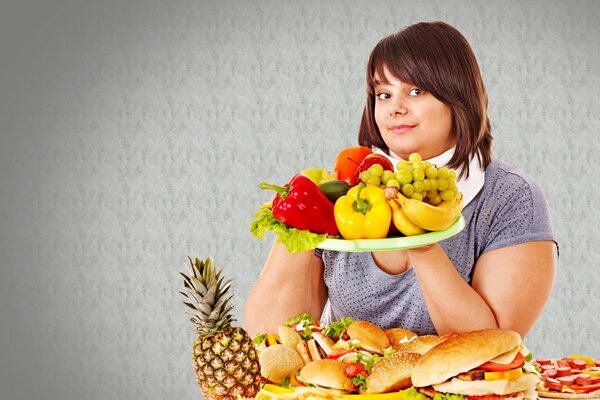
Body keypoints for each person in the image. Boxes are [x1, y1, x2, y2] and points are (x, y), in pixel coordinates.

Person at [244, 21, 557, 339]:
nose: (394, 108)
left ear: (459, 97)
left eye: (416, 90)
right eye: (383, 93)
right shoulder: (343, 192)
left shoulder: (510, 196)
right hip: (350, 386)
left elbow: (492, 347)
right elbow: (270, 337)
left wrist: (423, 246)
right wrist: (294, 218)